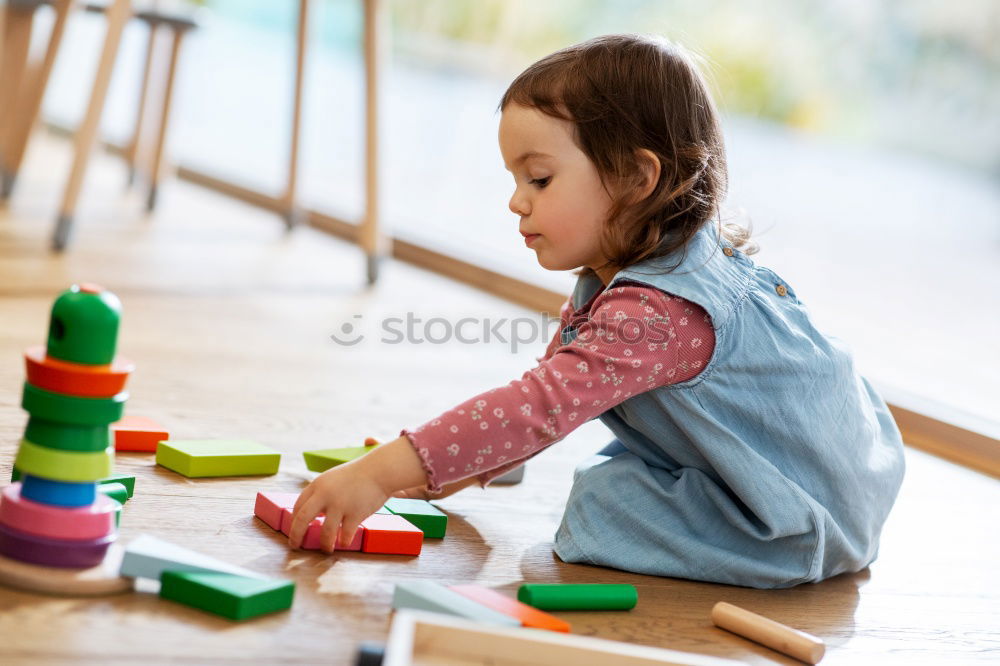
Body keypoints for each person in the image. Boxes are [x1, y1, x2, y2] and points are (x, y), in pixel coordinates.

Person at [288, 33, 905, 588]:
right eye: (515, 178)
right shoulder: (635, 272)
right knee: (614, 469)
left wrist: (379, 471)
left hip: (800, 520)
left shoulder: (659, 313)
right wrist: (430, 466)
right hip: (826, 474)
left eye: (539, 179)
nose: (515, 201)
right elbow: (552, 395)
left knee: (602, 504)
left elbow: (537, 408)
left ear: (637, 179)